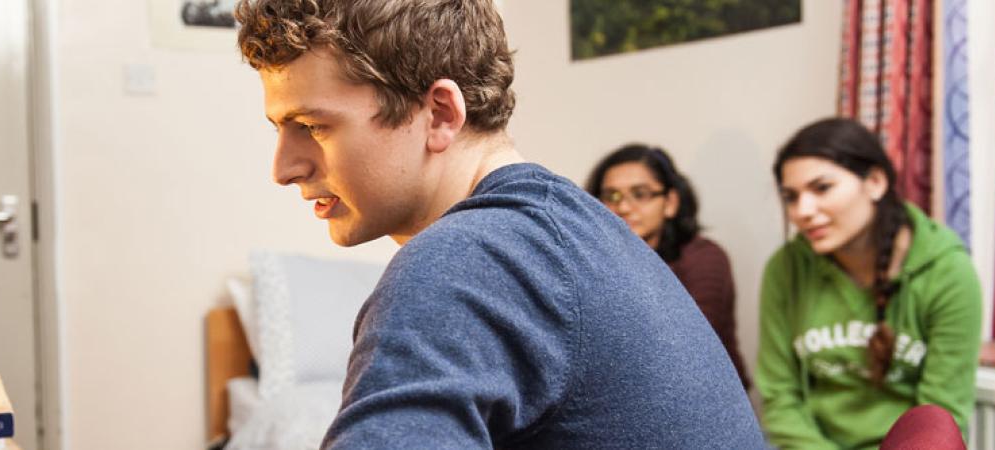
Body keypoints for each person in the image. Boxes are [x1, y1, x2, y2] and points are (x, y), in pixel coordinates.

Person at [234, 0, 764, 448]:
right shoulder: (580, 230)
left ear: (440, 113)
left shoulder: (462, 265)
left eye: (310, 126)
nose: (283, 168)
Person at [758, 117, 982, 449]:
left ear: (875, 181)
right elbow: (779, 398)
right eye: (791, 196)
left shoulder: (948, 273)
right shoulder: (786, 269)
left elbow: (941, 413)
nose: (802, 210)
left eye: (822, 188)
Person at [584, 144, 750, 388]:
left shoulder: (704, 258)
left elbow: (685, 346)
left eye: (640, 194)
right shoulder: (593, 261)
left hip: (707, 398)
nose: (624, 208)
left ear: (670, 202)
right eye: (612, 196)